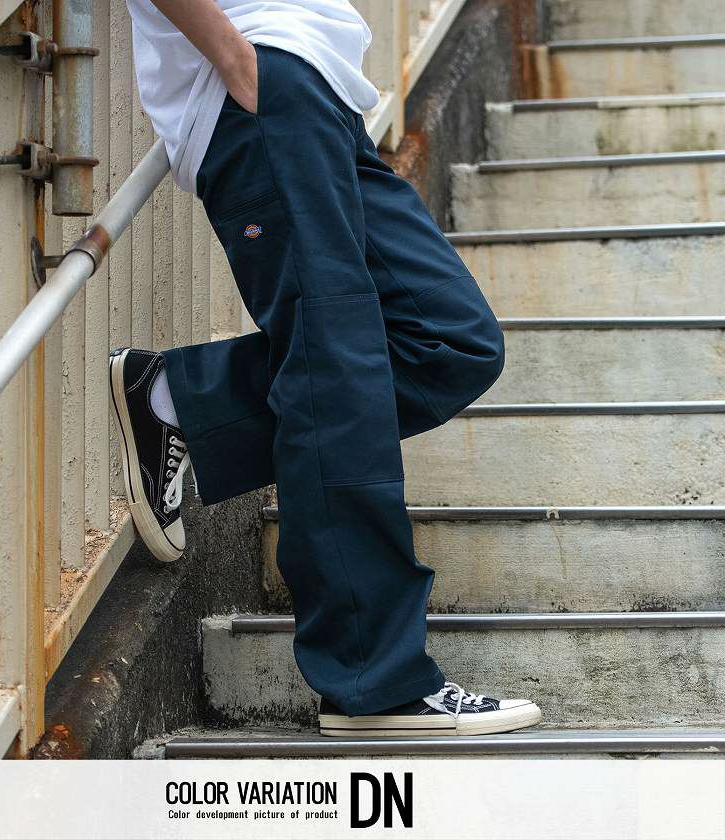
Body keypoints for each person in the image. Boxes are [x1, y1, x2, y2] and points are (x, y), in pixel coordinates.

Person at [109, 0, 542, 738]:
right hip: (264, 83)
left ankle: (180, 401)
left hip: (320, 92)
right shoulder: (252, 67)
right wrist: (237, 60)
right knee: (337, 376)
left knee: (451, 339)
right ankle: (374, 682)